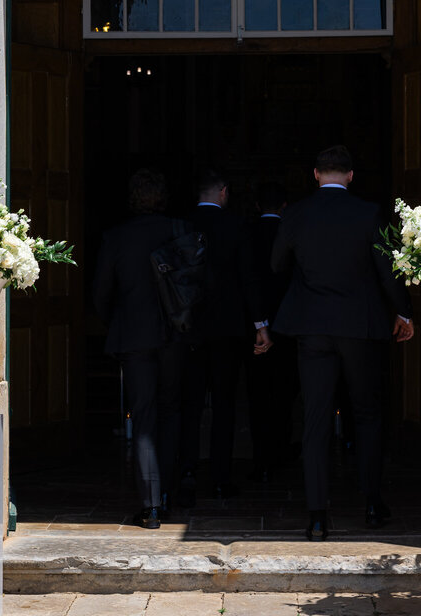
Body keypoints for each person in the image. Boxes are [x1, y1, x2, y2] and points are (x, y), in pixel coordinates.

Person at [271, 145, 415, 540]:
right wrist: (403, 312)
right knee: (367, 413)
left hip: (312, 326)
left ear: (316, 174)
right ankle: (371, 503)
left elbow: (276, 263)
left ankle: (316, 515)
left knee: (316, 419)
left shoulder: (296, 212)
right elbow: (388, 270)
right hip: (359, 327)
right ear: (350, 176)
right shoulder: (368, 213)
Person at [93, 168, 188, 530]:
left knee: (144, 418)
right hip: (175, 335)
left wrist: (115, 322)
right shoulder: (179, 229)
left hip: (133, 337)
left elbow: (101, 293)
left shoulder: (116, 237)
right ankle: (168, 496)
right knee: (171, 412)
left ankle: (150, 506)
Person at [178, 167, 271, 503]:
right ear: (223, 192)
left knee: (189, 401)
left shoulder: (182, 224)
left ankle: (187, 469)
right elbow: (249, 278)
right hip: (229, 329)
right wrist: (260, 324)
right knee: (224, 403)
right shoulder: (237, 226)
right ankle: (220, 477)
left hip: (188, 327)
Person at [246, 179, 299, 482]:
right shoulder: (290, 231)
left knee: (258, 393)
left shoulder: (247, 232)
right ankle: (280, 449)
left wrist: (257, 322)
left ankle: (261, 456)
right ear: (284, 206)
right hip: (288, 323)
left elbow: (247, 279)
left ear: (256, 206)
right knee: (286, 391)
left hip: (255, 325)